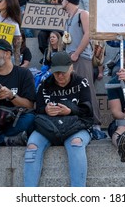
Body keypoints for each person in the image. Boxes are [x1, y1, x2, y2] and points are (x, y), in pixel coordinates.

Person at [24, 51, 93, 187]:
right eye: (56, 73)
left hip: (76, 127)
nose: (60, 76)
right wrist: (45, 110)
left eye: (63, 72)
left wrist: (70, 110)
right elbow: (37, 109)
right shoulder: (45, 84)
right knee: (32, 146)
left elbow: (88, 112)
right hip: (49, 126)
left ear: (71, 68)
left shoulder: (82, 83)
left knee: (76, 143)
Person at [62, 0, 104, 138]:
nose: (62, 1)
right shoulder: (68, 18)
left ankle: (96, 123)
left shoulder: (83, 14)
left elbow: (89, 34)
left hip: (81, 58)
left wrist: (77, 53)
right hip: (71, 58)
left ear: (68, 0)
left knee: (88, 88)